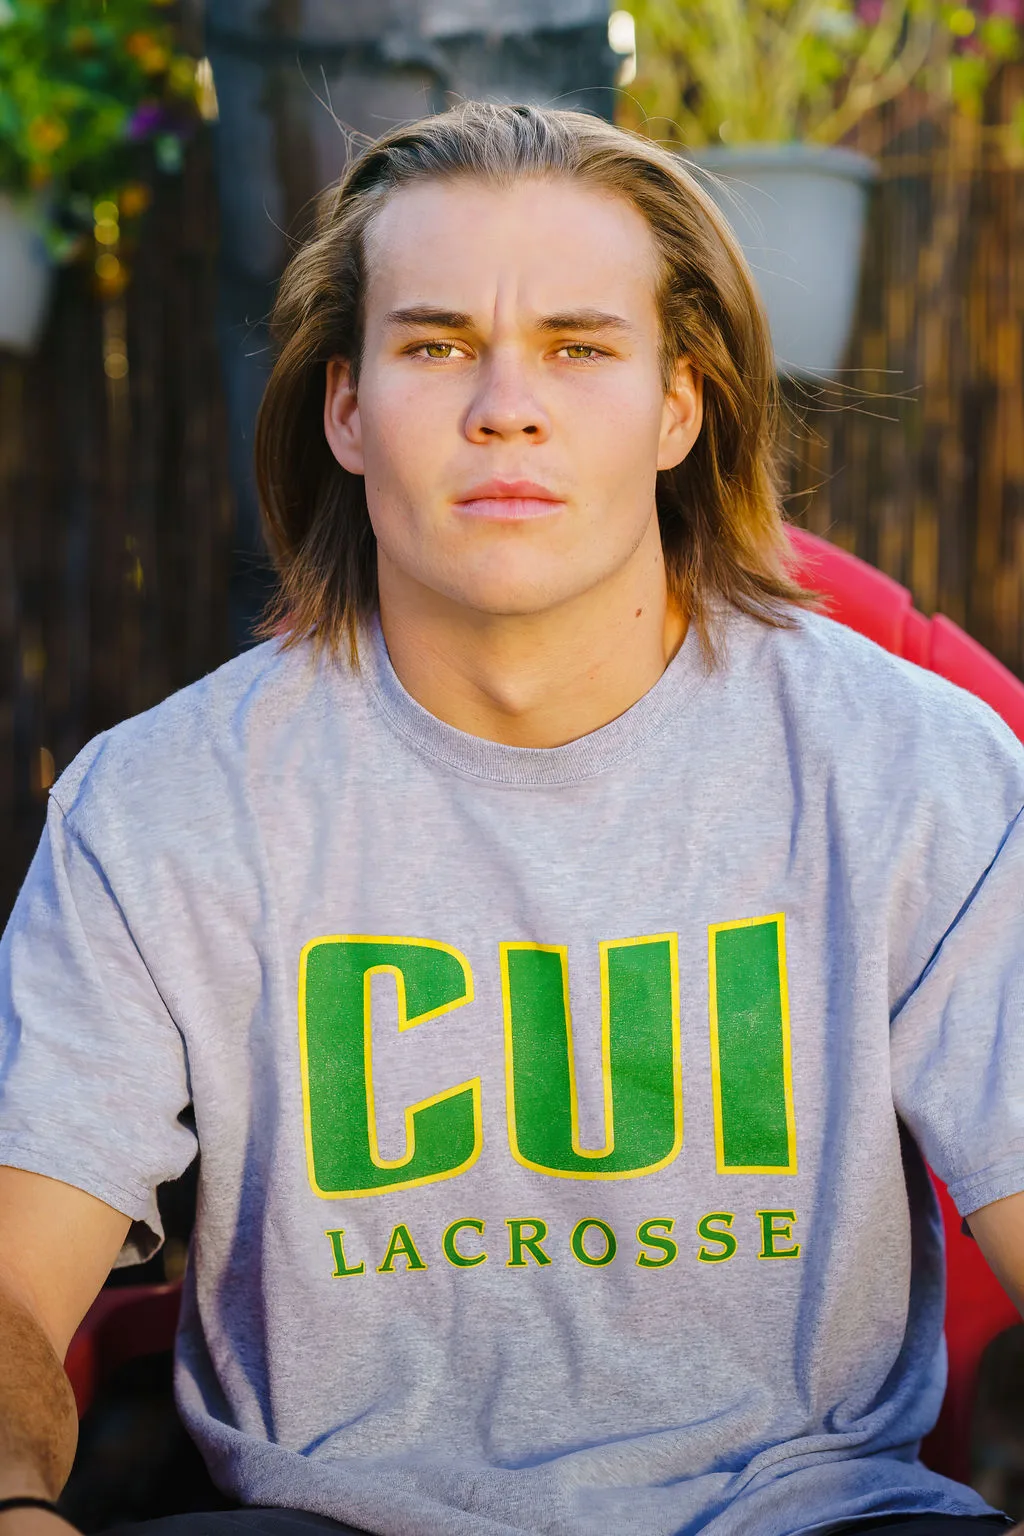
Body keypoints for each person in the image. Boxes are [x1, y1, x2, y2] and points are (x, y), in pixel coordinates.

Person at [0, 100, 1022, 1536]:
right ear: (346, 407)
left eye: (579, 346)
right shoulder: (163, 809)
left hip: (817, 1512)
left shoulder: (913, 769)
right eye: (433, 345)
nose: (505, 405)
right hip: (334, 1520)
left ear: (684, 403)